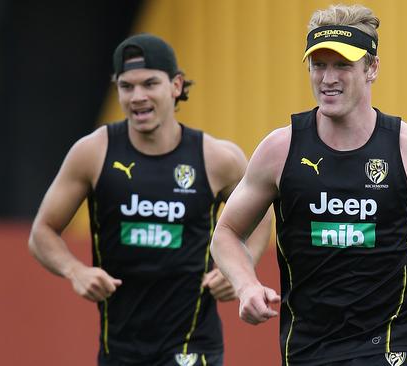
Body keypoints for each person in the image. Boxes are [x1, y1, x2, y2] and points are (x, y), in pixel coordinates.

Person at [210, 4, 407, 366]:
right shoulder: (279, 150)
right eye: (319, 65)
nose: (328, 78)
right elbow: (226, 232)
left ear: (372, 68)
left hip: (391, 338)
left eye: (343, 65)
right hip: (308, 343)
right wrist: (245, 287)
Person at [28, 33, 272, 366]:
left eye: (149, 84)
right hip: (120, 348)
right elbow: (42, 232)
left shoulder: (216, 158)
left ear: (176, 85)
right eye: (126, 86)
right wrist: (75, 271)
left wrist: (243, 270)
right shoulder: (93, 152)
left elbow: (261, 216)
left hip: (192, 343)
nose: (137, 97)